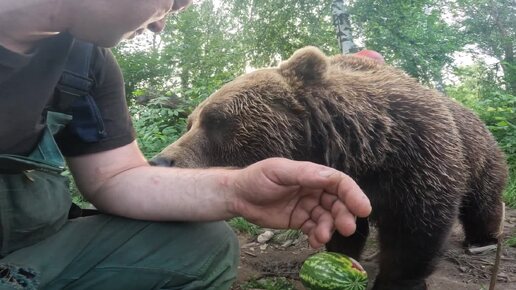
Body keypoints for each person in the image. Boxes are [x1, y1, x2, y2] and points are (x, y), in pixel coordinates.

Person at [0, 0, 372, 289]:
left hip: (31, 248)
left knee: (205, 245)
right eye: (172, 3)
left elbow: (115, 177)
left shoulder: (86, 63)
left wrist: (237, 192)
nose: (161, 23)